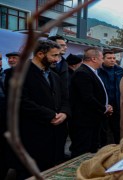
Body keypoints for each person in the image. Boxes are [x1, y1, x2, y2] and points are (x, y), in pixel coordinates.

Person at [6, 40, 71, 179]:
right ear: (40, 54)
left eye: (58, 55)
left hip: (55, 136)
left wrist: (64, 113)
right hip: (32, 136)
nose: (57, 59)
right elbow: (20, 102)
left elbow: (65, 98)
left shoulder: (54, 75)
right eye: (54, 55)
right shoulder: (18, 73)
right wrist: (51, 115)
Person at [69, 47, 112, 157]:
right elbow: (87, 98)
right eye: (102, 58)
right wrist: (104, 109)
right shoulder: (82, 73)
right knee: (82, 151)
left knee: (92, 149)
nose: (102, 61)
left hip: (94, 119)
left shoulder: (91, 72)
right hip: (84, 121)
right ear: (94, 59)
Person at [98, 51, 123, 144]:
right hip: (103, 105)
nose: (112, 60)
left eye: (114, 58)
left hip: (117, 104)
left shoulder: (120, 71)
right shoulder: (98, 71)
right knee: (103, 130)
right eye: (109, 58)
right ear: (103, 59)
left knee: (117, 129)